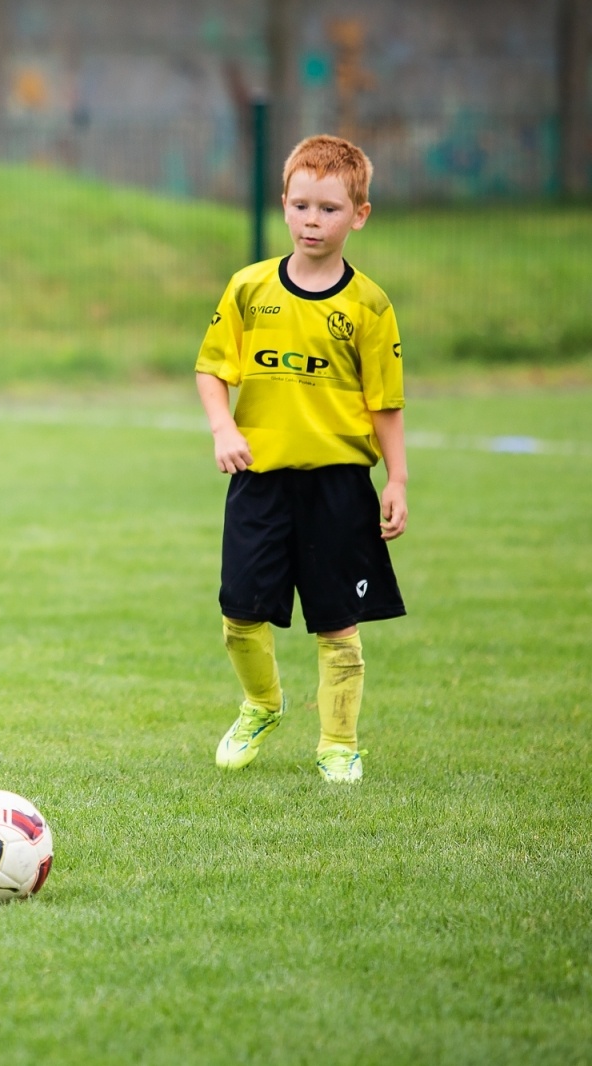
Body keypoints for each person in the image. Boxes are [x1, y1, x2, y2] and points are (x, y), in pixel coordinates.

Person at [195, 134, 409, 784]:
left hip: (340, 486)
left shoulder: (368, 306)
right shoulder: (248, 288)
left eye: (329, 209)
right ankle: (261, 703)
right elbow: (210, 370)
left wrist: (396, 477)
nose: (312, 221)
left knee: (337, 623)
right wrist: (222, 428)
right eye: (300, 205)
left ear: (359, 215)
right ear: (283, 204)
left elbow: (385, 404)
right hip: (259, 480)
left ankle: (338, 744)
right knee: (239, 611)